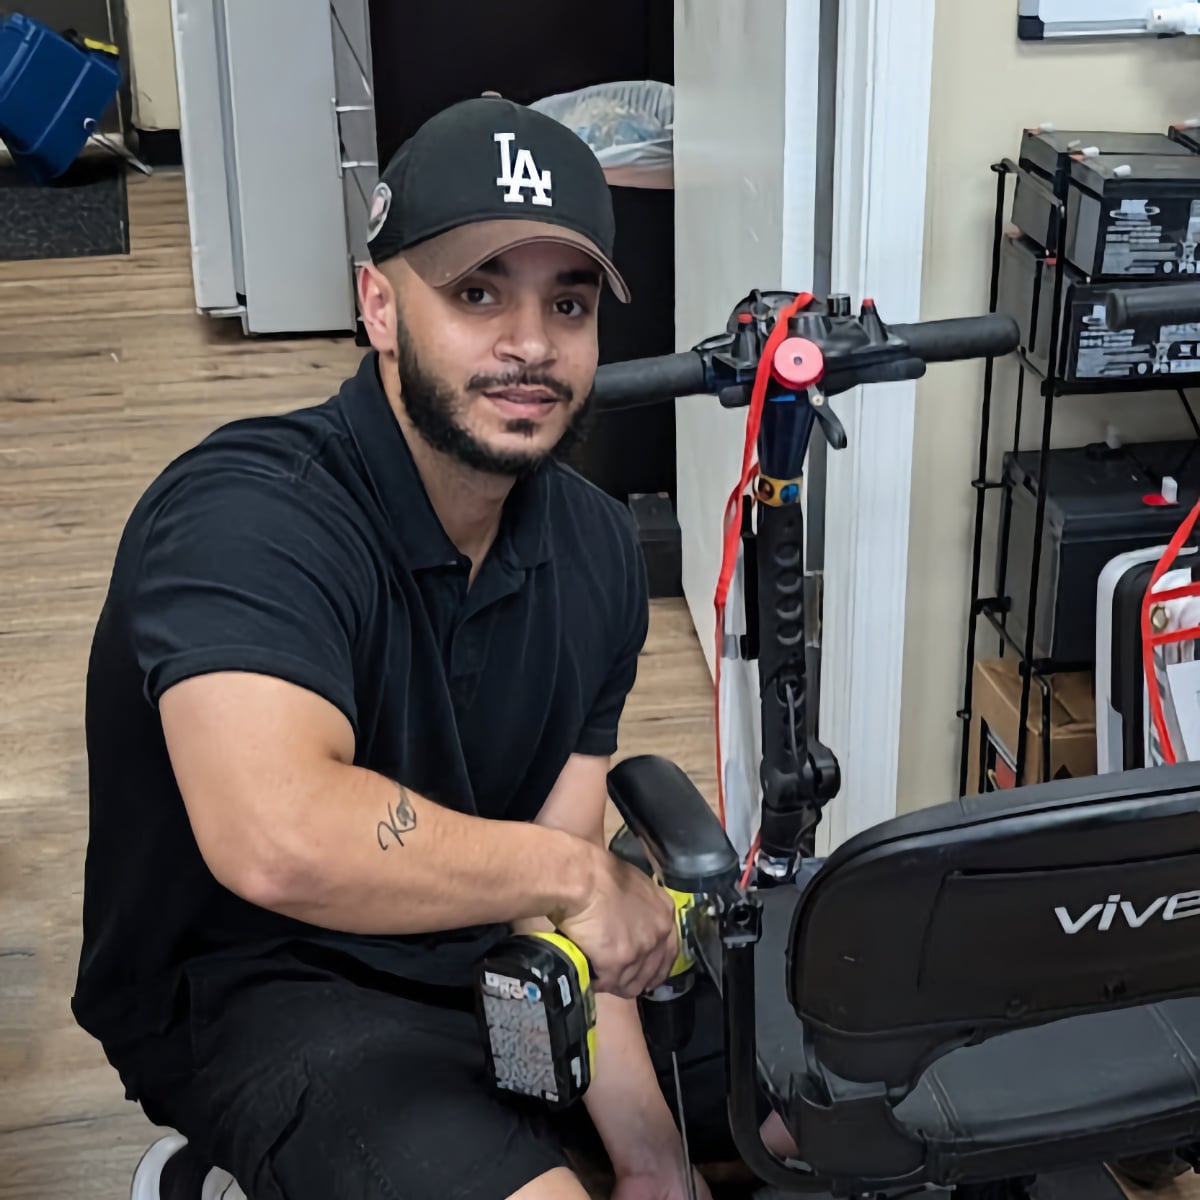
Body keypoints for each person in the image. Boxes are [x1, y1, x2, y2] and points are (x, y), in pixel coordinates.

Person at [72, 95, 785, 1200]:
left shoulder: (595, 547)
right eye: (476, 292)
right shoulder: (246, 514)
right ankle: (221, 1174)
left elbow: (563, 916)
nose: (530, 344)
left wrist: (653, 1162)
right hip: (268, 987)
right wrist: (574, 875)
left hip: (492, 959)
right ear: (379, 305)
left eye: (571, 302)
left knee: (824, 1105)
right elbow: (279, 836)